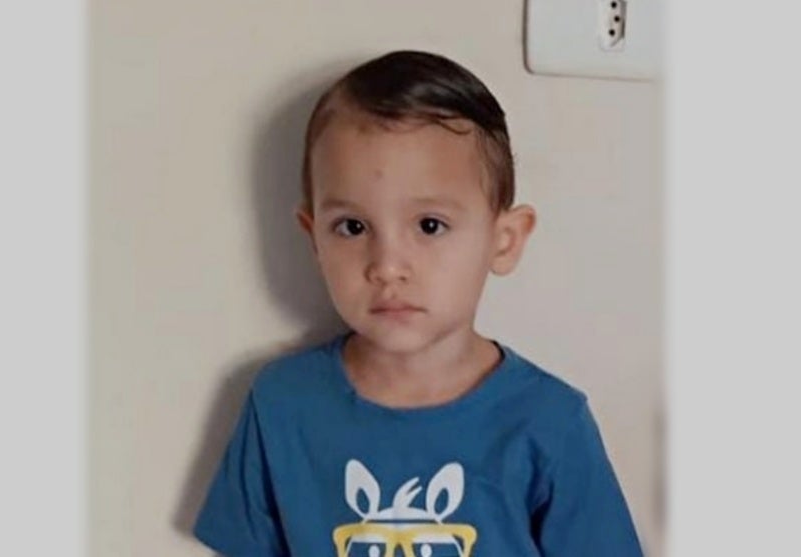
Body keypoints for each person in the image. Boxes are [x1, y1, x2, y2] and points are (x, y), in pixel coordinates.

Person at [193, 50, 643, 556]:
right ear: (314, 237)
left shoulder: (550, 423)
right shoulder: (282, 405)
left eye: (430, 225)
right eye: (352, 227)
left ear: (504, 240)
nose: (387, 266)